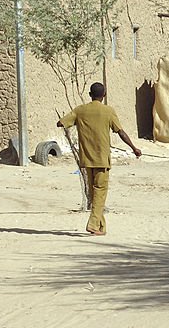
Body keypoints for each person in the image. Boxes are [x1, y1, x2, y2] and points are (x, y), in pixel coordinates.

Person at [57, 82, 141, 236]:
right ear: (105, 95)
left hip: (86, 160)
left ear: (90, 94)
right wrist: (134, 148)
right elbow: (120, 132)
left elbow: (60, 123)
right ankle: (93, 223)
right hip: (101, 158)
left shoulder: (80, 110)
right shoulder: (108, 111)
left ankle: (101, 227)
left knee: (95, 193)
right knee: (100, 191)